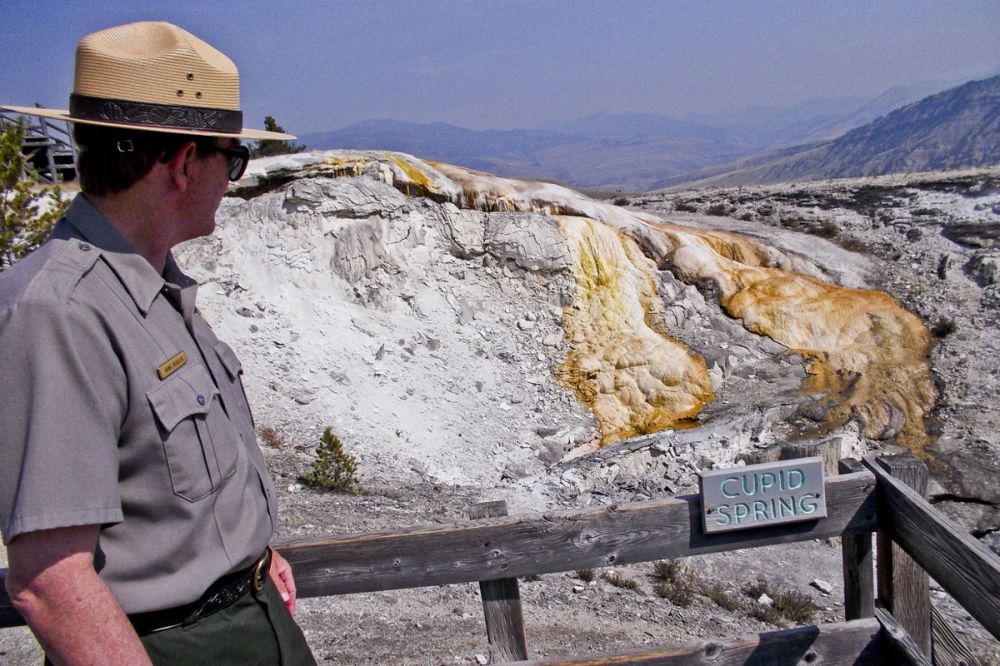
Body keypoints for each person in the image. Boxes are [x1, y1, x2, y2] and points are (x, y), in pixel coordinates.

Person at [0, 21, 316, 665]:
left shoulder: (153, 287)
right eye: (230, 158)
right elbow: (49, 581)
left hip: (246, 622)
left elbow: (163, 483)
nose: (231, 178)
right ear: (180, 166)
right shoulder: (60, 311)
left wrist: (246, 555)